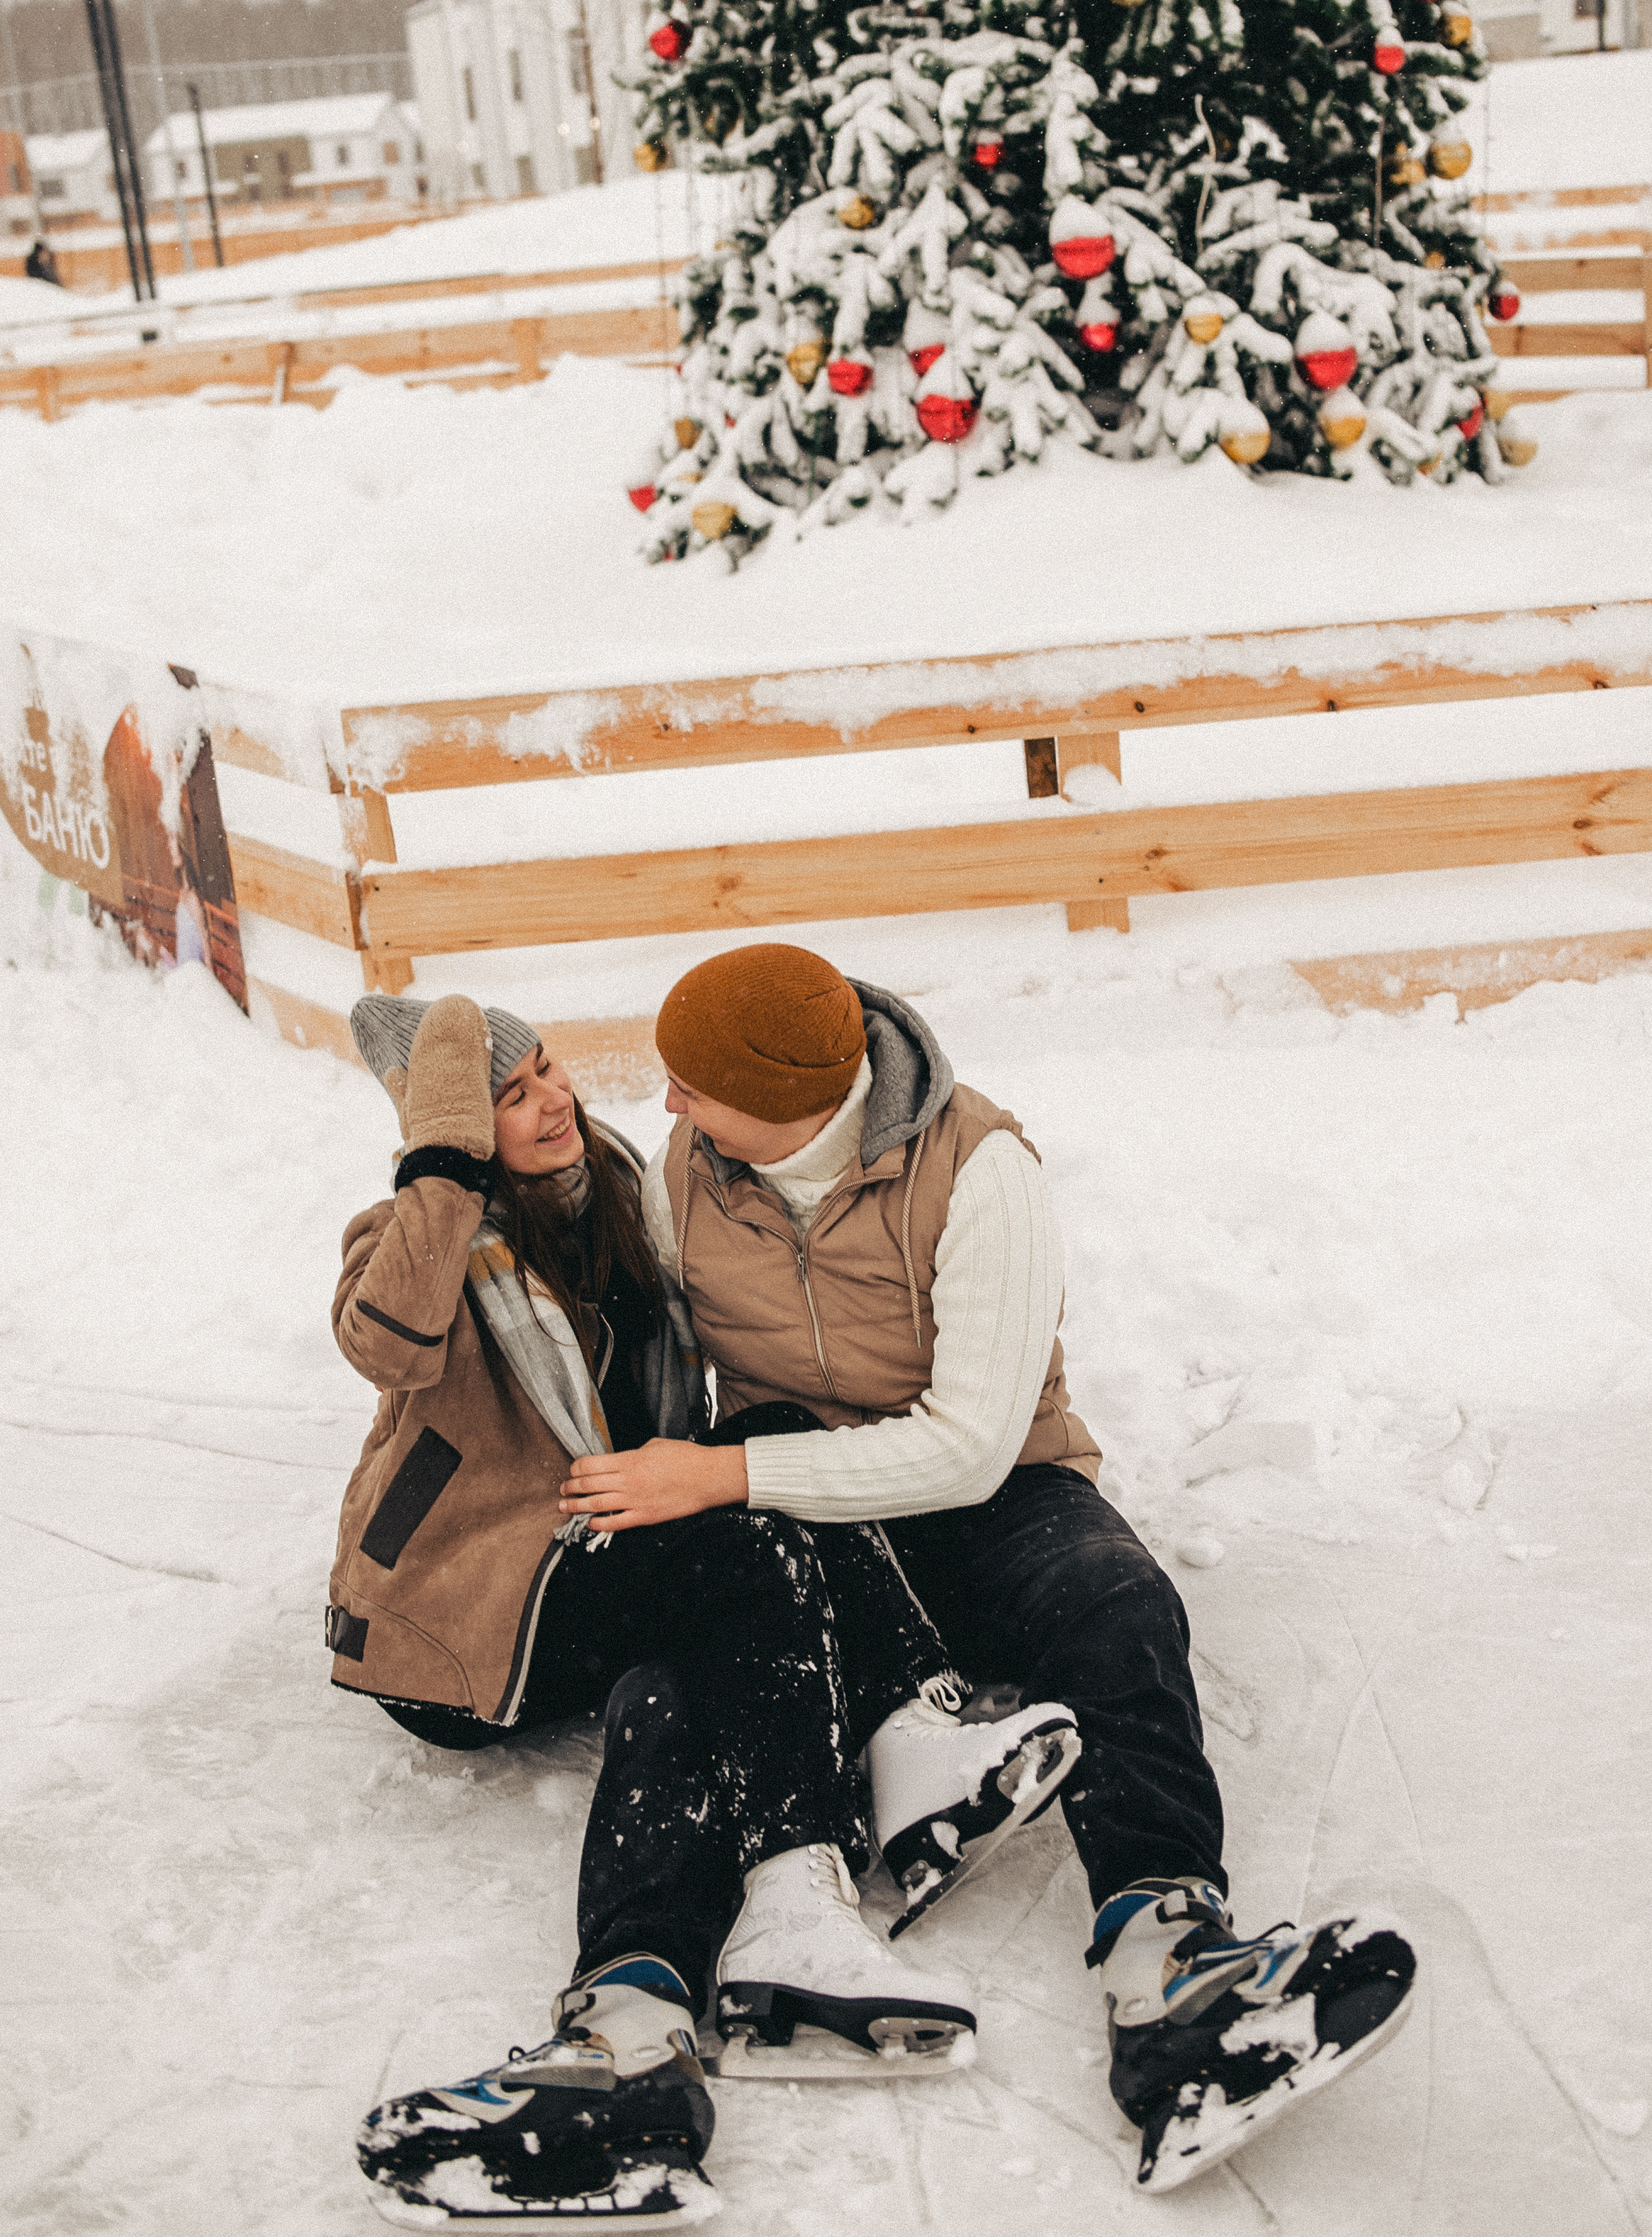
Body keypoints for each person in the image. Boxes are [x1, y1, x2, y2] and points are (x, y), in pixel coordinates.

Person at [558, 946, 1418, 2198]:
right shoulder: (688, 1175)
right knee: (671, 1693)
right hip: (797, 1496)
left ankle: (1169, 1965)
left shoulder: (981, 1169)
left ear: (793, 1093)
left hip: (992, 1487)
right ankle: (626, 2034)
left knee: (1113, 1606)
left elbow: (967, 1448)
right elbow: (641, 1353)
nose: (671, 1106)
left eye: (697, 1085)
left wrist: (723, 1479)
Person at [332, 991, 1077, 2227]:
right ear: (454, 1127)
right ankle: (819, 1867)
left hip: (604, 1555)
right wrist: (443, 1167)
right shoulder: (411, 1234)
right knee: (738, 1542)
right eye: (507, 1097)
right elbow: (387, 1344)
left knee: (742, 1522)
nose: (552, 1102)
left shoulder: (621, 1191)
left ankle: (632, 2038)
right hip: (466, 1623)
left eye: (550, 1071)